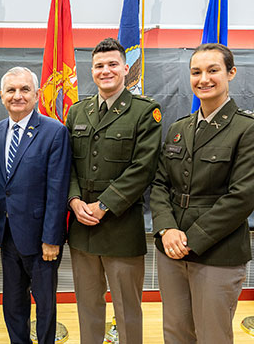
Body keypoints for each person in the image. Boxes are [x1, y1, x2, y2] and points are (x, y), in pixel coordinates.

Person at [150, 43, 254, 343]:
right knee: (175, 332)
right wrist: (167, 229)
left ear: (231, 73)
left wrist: (191, 239)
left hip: (218, 252)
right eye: (196, 72)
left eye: (213, 70)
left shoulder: (250, 129)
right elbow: (160, 184)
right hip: (172, 249)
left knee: (212, 335)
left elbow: (242, 197)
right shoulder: (179, 128)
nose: (203, 79)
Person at [65, 37, 162, 344]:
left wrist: (103, 205)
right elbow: (68, 166)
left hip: (121, 228)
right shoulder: (77, 112)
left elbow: (143, 168)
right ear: (91, 70)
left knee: (127, 310)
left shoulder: (146, 112)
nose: (105, 71)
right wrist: (74, 199)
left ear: (125, 68)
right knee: (87, 307)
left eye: (112, 65)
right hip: (82, 229)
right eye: (98, 66)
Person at [0, 67, 71, 343]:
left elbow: (58, 189)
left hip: (41, 240)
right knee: (12, 305)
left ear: (36, 95)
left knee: (45, 306)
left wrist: (52, 238)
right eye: (11, 90)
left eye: (24, 90)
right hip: (7, 235)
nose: (17, 96)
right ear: (1, 96)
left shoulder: (54, 132)